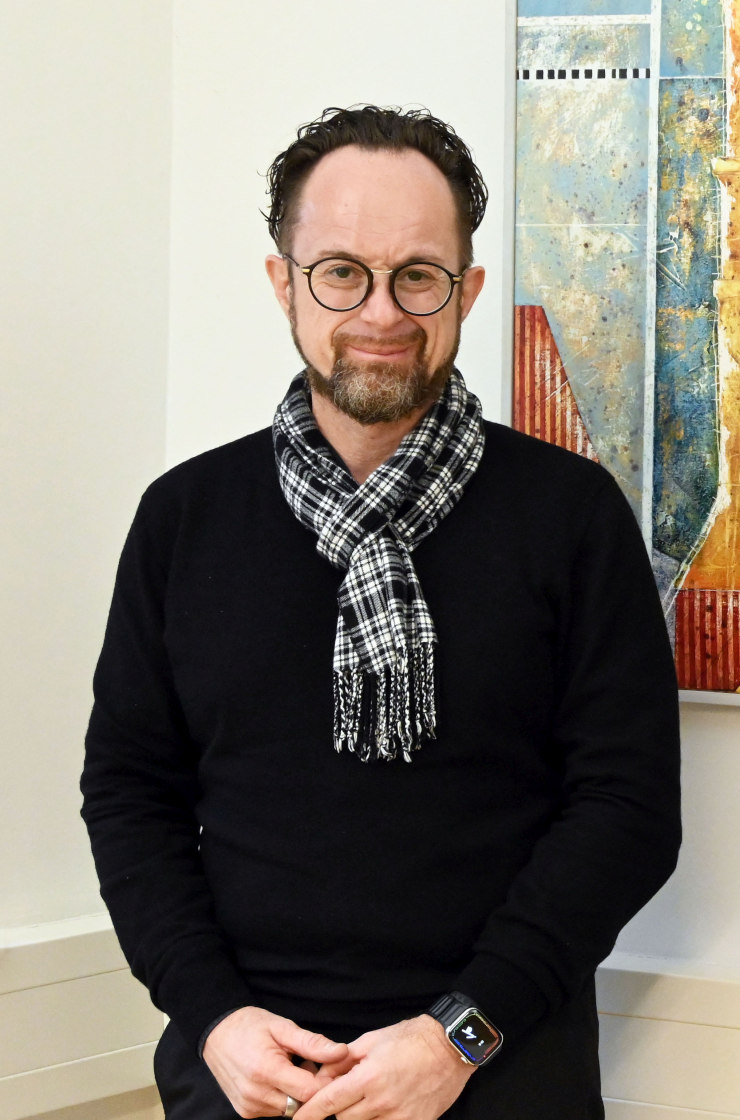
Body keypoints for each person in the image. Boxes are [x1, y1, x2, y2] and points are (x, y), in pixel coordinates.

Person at [81, 106, 681, 1120]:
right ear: (284, 283)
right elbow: (130, 795)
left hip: (498, 1077)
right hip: (244, 1081)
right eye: (341, 272)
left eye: (418, 274)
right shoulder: (185, 519)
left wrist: (461, 1036)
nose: (381, 312)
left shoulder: (569, 517)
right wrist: (216, 1020)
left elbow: (627, 815)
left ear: (467, 290)